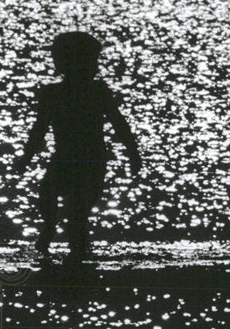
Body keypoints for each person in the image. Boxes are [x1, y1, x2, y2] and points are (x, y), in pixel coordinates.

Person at [14, 32, 142, 261]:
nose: (95, 67)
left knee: (77, 213)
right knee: (48, 194)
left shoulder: (97, 92)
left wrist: (133, 153)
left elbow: (119, 124)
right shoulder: (53, 94)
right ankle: (52, 230)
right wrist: (26, 157)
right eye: (92, 61)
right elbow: (39, 130)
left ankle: (76, 258)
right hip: (66, 158)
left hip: (91, 160)